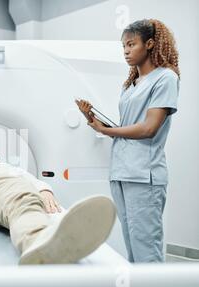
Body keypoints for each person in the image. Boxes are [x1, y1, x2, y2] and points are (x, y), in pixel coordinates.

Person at [76, 19, 180, 263]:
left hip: (144, 174)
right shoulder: (130, 85)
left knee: (146, 247)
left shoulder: (165, 78)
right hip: (121, 171)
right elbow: (127, 125)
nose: (125, 51)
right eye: (123, 46)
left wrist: (106, 131)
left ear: (150, 44)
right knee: (132, 245)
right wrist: (94, 120)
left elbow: (148, 128)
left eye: (131, 44)